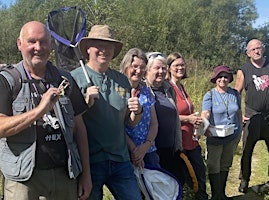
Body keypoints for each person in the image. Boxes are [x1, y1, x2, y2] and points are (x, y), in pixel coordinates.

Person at [0, 21, 92, 200]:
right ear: (20, 44)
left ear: (51, 45)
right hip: (24, 180)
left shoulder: (65, 79)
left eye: (43, 42)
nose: (38, 47)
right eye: (32, 42)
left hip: (65, 176)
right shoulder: (7, 80)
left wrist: (86, 175)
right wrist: (40, 110)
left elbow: (80, 128)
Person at [70, 25, 143, 200]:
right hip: (90, 162)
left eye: (108, 46)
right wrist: (86, 103)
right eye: (98, 45)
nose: (104, 50)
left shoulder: (121, 81)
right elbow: (69, 124)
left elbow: (129, 121)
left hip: (120, 159)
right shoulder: (74, 78)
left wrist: (137, 111)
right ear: (88, 49)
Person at [235, 39, 269, 193]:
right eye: (253, 49)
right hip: (252, 117)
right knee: (247, 151)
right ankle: (244, 180)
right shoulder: (244, 70)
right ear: (248, 53)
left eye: (259, 48)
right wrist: (239, 114)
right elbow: (236, 93)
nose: (257, 51)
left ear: (263, 49)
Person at [167, 52, 208, 200]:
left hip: (192, 139)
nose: (180, 68)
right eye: (176, 65)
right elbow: (167, 115)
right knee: (185, 178)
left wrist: (196, 122)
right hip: (179, 142)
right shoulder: (168, 88)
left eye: (182, 65)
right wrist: (188, 119)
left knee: (200, 173)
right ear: (169, 68)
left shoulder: (182, 87)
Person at [201, 65, 242, 200]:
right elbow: (205, 113)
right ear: (216, 79)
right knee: (213, 165)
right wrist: (204, 126)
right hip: (215, 135)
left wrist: (240, 128)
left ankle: (222, 194)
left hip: (232, 135)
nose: (223, 79)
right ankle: (215, 195)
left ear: (230, 78)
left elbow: (238, 112)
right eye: (220, 77)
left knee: (225, 164)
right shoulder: (210, 95)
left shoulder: (235, 94)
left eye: (226, 77)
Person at [144, 52, 185, 185]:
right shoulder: (143, 90)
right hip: (151, 150)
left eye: (163, 68)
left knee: (171, 185)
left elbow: (175, 118)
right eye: (157, 68)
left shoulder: (168, 89)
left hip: (170, 148)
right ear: (148, 69)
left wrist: (178, 144)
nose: (161, 71)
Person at [119, 48, 160, 168]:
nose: (138, 71)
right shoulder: (118, 90)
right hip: (126, 151)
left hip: (149, 150)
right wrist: (134, 150)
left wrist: (146, 146)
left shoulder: (146, 91)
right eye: (134, 66)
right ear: (126, 66)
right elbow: (117, 126)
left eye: (142, 67)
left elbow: (154, 123)